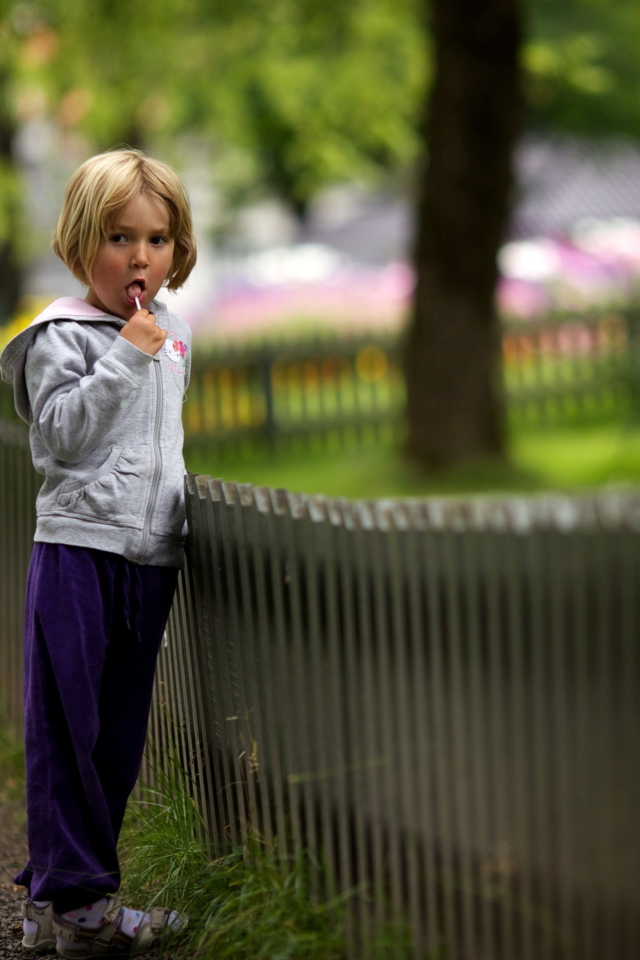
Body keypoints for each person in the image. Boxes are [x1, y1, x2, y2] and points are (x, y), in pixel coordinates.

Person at [0, 148, 197, 958]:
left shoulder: (173, 332)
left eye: (157, 239)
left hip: (147, 559)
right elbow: (60, 439)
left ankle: (74, 897)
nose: (140, 257)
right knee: (66, 726)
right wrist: (125, 355)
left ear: (177, 250)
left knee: (118, 734)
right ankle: (76, 907)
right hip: (79, 552)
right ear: (82, 245)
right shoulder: (63, 336)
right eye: (119, 238)